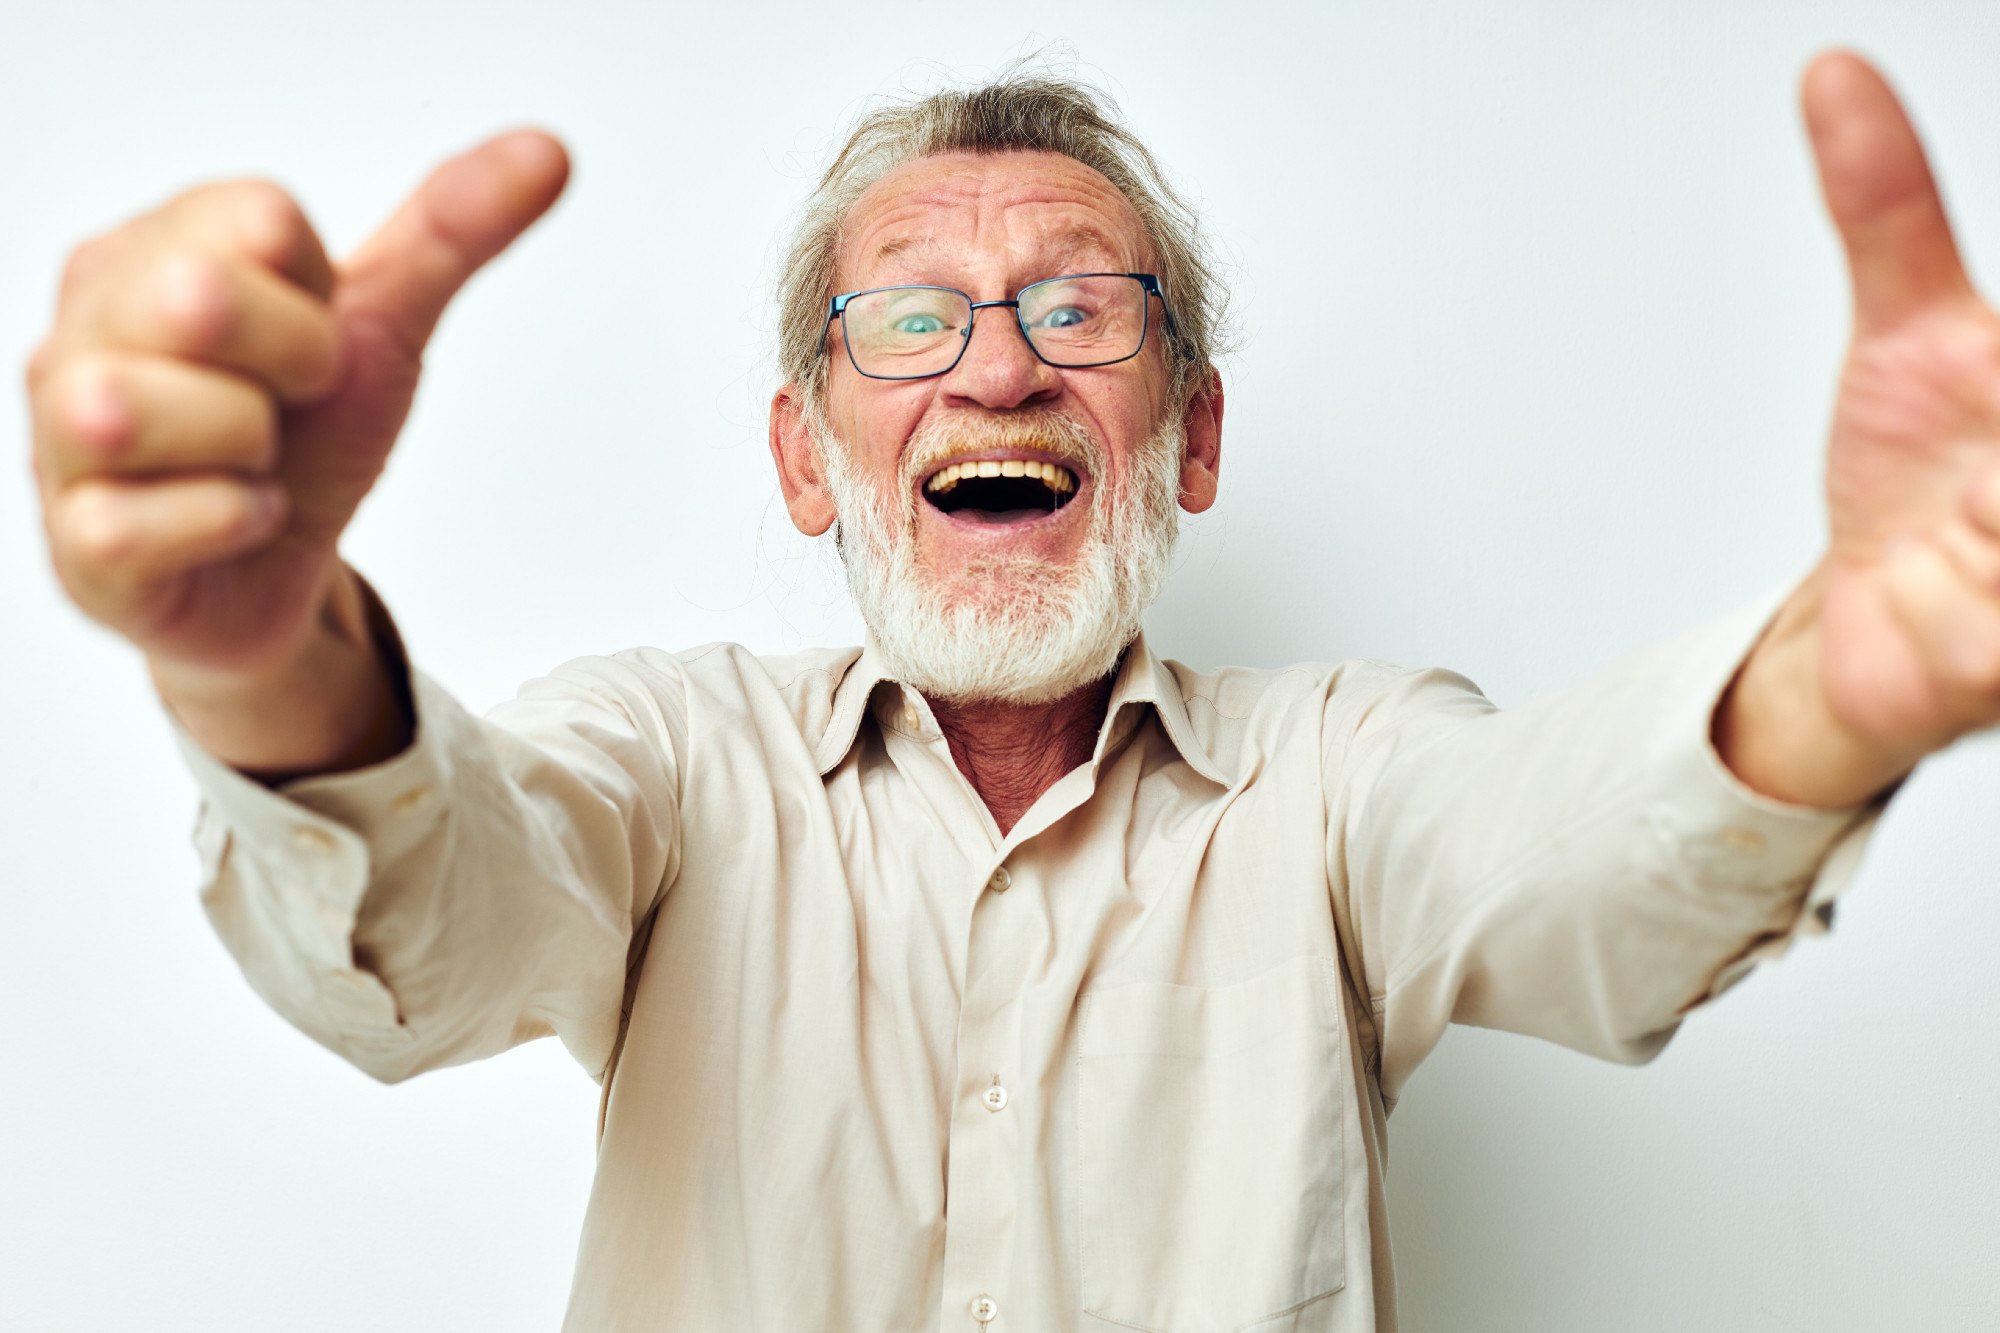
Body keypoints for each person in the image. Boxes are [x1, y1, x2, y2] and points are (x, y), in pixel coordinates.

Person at [23, 49, 2000, 1333]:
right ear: (806, 457)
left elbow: (1573, 861)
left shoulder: (1339, 772)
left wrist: (1835, 686)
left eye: (1080, 306)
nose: (996, 368)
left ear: (1191, 433)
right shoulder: (667, 762)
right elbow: (436, 918)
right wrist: (260, 650)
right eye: (909, 319)